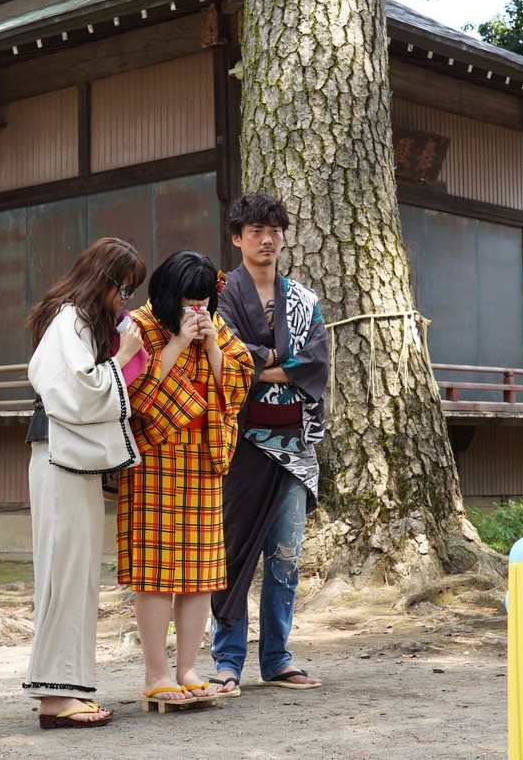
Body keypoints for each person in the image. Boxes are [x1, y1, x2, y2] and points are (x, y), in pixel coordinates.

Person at [117, 250, 254, 704]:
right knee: (155, 573)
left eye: (202, 302)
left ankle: (190, 668)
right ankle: (156, 674)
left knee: (200, 572)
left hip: (203, 458)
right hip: (154, 458)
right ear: (165, 296)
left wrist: (213, 345)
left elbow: (235, 392)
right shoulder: (137, 326)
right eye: (186, 303)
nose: (195, 312)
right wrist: (176, 343)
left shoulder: (218, 331)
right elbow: (130, 392)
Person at [22, 237, 148, 728]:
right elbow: (78, 391)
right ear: (106, 282)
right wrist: (126, 355)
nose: (126, 300)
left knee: (72, 573)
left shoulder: (73, 319)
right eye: (124, 289)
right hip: (59, 457)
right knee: (64, 573)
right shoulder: (70, 319)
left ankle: (63, 690)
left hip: (66, 459)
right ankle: (56, 696)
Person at [210, 193, 330, 694]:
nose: (266, 239)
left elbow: (316, 362)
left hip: (293, 445)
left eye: (274, 230)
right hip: (237, 444)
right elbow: (227, 355)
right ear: (237, 238)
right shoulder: (220, 295)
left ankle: (277, 657)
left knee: (285, 556)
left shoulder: (304, 299)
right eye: (255, 230)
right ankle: (227, 659)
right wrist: (278, 362)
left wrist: (263, 364)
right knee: (233, 552)